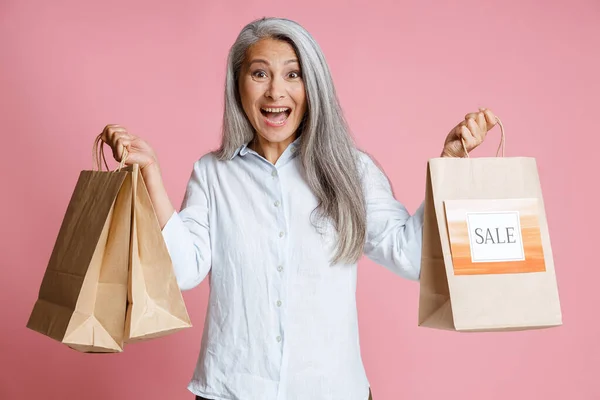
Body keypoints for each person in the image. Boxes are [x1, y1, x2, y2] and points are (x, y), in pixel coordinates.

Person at [100, 17, 497, 400]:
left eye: (293, 74)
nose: (276, 92)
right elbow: (183, 271)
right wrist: (150, 175)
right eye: (259, 73)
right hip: (233, 390)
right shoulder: (212, 174)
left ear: (313, 86)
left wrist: (449, 165)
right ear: (238, 84)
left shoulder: (352, 170)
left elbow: (412, 257)